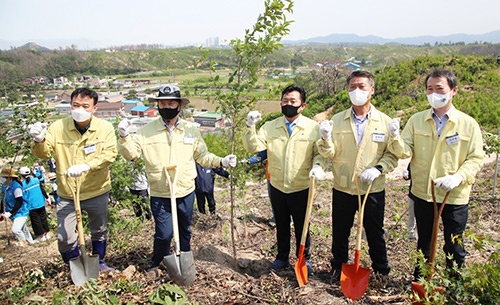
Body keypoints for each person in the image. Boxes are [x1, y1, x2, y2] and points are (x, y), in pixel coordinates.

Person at [117, 84, 237, 277]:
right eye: (162, 103)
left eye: (171, 102)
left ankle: (184, 261)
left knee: (185, 230)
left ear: (179, 105)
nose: (167, 106)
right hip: (160, 191)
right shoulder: (146, 131)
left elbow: (203, 156)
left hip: (186, 190)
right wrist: (124, 136)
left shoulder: (190, 129)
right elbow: (131, 154)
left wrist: (221, 161)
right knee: (163, 234)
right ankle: (158, 263)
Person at [387, 69, 484, 282]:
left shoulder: (468, 124)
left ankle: (454, 285)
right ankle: (422, 283)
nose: (433, 93)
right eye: (429, 89)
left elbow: (476, 158)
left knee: (454, 244)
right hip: (423, 192)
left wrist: (459, 177)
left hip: (455, 196)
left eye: (439, 88)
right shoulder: (417, 120)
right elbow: (405, 151)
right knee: (425, 243)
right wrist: (395, 137)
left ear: (454, 91)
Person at [316, 70, 398, 283]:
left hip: (372, 189)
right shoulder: (337, 120)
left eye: (361, 86)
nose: (356, 91)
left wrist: (378, 168)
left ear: (372, 90)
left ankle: (382, 272)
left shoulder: (384, 121)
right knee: (340, 231)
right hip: (343, 187)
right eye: (352, 87)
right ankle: (338, 269)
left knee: (374, 232)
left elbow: (392, 154)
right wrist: (325, 139)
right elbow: (330, 153)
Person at [29, 87, 117, 271]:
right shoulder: (58, 127)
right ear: (70, 105)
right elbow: (43, 154)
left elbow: (110, 154)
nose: (80, 109)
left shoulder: (104, 128)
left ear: (94, 108)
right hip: (68, 192)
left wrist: (88, 165)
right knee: (65, 236)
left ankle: (99, 262)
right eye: (75, 105)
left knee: (98, 229)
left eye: (85, 106)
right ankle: (74, 265)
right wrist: (39, 140)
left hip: (96, 189)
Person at [243, 84, 325, 276]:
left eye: (293, 101)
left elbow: (319, 154)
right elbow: (252, 147)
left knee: (302, 225)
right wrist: (249, 127)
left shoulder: (313, 128)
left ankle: (304, 259)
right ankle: (281, 258)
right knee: (281, 223)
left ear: (302, 105)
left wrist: (318, 165)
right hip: (277, 184)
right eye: (285, 101)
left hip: (301, 185)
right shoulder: (270, 127)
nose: (288, 104)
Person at [0, 167, 35, 246]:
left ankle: (23, 243)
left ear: (8, 178)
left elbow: (19, 202)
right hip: (11, 211)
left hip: (21, 211)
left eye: (2, 177)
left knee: (15, 230)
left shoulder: (16, 187)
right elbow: (3, 199)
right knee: (23, 228)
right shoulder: (4, 186)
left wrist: (10, 212)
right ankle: (31, 242)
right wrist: (1, 211)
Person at [19, 166, 51, 242]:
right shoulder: (36, 180)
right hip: (40, 203)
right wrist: (47, 198)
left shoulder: (22, 185)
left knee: (36, 221)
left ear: (21, 175)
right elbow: (42, 190)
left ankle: (41, 236)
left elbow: (22, 197)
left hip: (31, 205)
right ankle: (47, 234)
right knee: (43, 218)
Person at [403, 164, 417, 240]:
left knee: (422, 217)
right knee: (411, 215)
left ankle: (418, 234)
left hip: (426, 196)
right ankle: (410, 233)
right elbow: (409, 174)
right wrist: (406, 175)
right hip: (413, 193)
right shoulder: (415, 161)